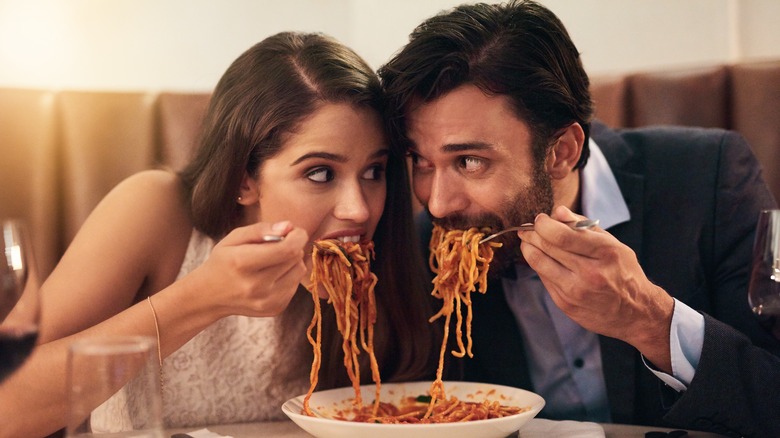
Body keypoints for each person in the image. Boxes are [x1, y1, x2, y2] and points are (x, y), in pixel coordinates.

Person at [0, 31, 437, 437]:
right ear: (243, 180)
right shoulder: (155, 209)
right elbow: (8, 406)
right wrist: (202, 297)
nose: (359, 208)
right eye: (320, 173)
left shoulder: (393, 252)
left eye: (374, 172)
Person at [379, 1, 780, 436]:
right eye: (419, 161)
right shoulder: (425, 249)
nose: (437, 204)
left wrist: (649, 319)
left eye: (470, 161)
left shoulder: (708, 179)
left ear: (562, 151)